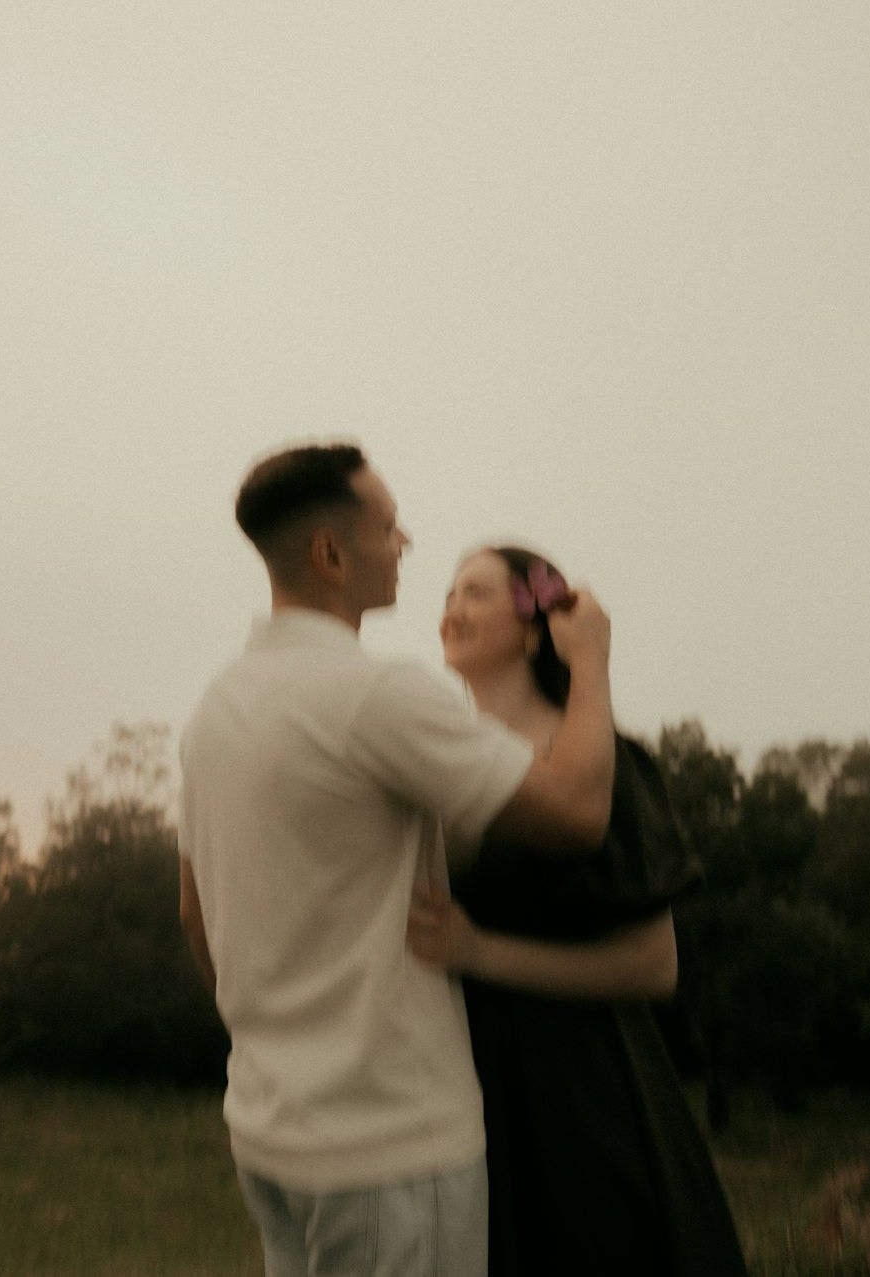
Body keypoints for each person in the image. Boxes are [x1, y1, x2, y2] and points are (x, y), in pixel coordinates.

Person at [177, 443, 618, 1277]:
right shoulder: (375, 693)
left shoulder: (214, 711)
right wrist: (589, 659)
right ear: (331, 554)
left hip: (267, 1135)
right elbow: (577, 813)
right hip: (391, 1153)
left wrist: (281, 1037)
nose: (406, 541)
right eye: (387, 526)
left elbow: (193, 912)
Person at [408, 545, 749, 1276]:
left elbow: (655, 963)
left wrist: (479, 952)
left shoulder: (599, 764)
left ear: (534, 629)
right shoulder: (439, 762)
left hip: (581, 1094)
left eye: (475, 593)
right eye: (447, 592)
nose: (451, 609)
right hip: (468, 1089)